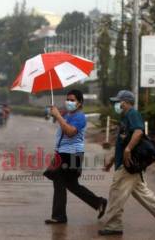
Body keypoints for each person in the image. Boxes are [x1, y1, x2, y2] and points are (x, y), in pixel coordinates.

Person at [98, 90, 155, 236]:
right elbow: (122, 142)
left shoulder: (132, 114)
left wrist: (128, 149)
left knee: (116, 193)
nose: (116, 104)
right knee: (142, 193)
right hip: (127, 163)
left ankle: (114, 225)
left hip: (128, 164)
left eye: (118, 102)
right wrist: (112, 160)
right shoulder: (124, 118)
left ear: (126, 102)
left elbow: (139, 132)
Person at [45, 89, 107, 224]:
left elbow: (70, 132)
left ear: (79, 103)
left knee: (59, 181)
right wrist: (56, 115)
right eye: (68, 99)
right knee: (72, 185)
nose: (69, 102)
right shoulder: (68, 115)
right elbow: (61, 134)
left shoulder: (79, 117)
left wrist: (58, 116)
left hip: (72, 155)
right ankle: (98, 202)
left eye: (72, 100)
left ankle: (59, 216)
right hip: (64, 154)